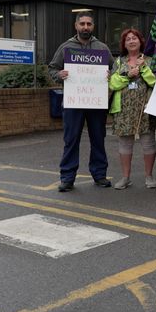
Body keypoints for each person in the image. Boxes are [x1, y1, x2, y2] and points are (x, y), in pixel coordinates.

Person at [48, 11, 113, 192]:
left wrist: (110, 75)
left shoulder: (102, 48)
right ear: (76, 26)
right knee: (71, 140)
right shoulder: (66, 47)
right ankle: (67, 178)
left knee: (98, 139)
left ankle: (99, 175)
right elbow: (52, 68)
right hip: (73, 103)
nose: (85, 27)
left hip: (96, 103)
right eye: (82, 24)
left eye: (89, 24)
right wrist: (59, 75)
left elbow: (114, 68)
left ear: (93, 26)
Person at [108, 28, 156, 190]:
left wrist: (143, 69)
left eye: (134, 38)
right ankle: (125, 177)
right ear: (124, 44)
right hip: (123, 109)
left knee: (148, 143)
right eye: (127, 39)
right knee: (125, 144)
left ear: (140, 41)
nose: (131, 41)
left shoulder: (149, 60)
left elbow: (155, 82)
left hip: (145, 108)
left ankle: (149, 177)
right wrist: (128, 75)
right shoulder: (119, 62)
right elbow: (113, 83)